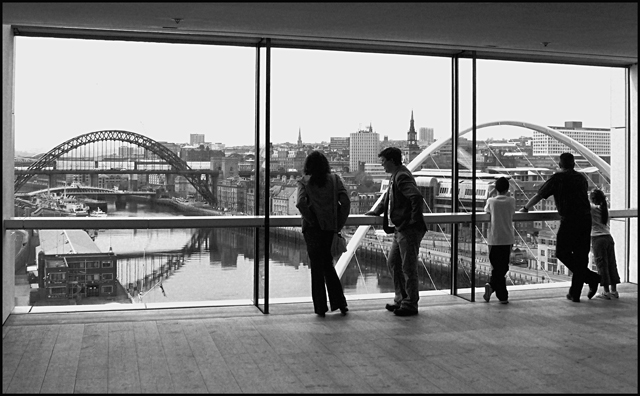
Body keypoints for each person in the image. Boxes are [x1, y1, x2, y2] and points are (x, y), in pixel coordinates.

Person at [520, 152, 600, 302]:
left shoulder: (558, 178)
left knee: (562, 253)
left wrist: (525, 207)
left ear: (560, 165)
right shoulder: (581, 178)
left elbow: (540, 195)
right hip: (585, 219)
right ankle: (575, 293)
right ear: (574, 164)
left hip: (570, 220)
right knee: (581, 257)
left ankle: (592, 278)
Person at [365, 147, 426, 316]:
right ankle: (401, 299)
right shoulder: (396, 175)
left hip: (408, 230)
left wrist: (413, 221)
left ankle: (410, 304)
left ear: (392, 161)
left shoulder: (402, 175)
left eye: (383, 162)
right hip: (400, 229)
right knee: (393, 263)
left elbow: (416, 197)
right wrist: (376, 211)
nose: (382, 165)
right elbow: (388, 197)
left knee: (408, 267)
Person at [296, 151, 350, 317]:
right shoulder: (335, 180)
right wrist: (338, 223)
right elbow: (346, 202)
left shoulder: (304, 182)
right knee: (328, 264)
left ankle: (320, 307)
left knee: (316, 268)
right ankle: (340, 303)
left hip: (312, 230)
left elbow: (300, 203)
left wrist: (311, 219)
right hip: (329, 228)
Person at [483, 177, 516, 304]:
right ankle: (500, 294)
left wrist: (491, 193)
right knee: (503, 267)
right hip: (507, 238)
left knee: (496, 267)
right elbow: (512, 211)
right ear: (508, 189)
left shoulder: (491, 201)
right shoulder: (511, 201)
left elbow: (486, 210)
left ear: (496, 189)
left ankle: (496, 290)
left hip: (494, 239)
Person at [589, 189, 620, 299]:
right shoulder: (604, 209)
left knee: (602, 265)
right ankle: (614, 291)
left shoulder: (591, 209)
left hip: (597, 239)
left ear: (592, 199)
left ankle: (606, 292)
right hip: (608, 237)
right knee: (612, 263)